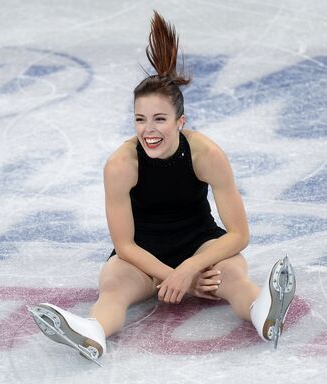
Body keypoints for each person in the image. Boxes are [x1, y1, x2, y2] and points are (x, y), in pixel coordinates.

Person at [28, 11, 296, 364]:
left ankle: (265, 312)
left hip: (200, 243)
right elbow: (123, 244)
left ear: (180, 121)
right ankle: (92, 333)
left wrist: (190, 269)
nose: (148, 130)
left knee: (232, 274)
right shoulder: (121, 165)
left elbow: (238, 234)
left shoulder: (206, 154)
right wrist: (171, 276)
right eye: (140, 119)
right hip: (142, 255)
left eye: (159, 119)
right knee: (113, 286)